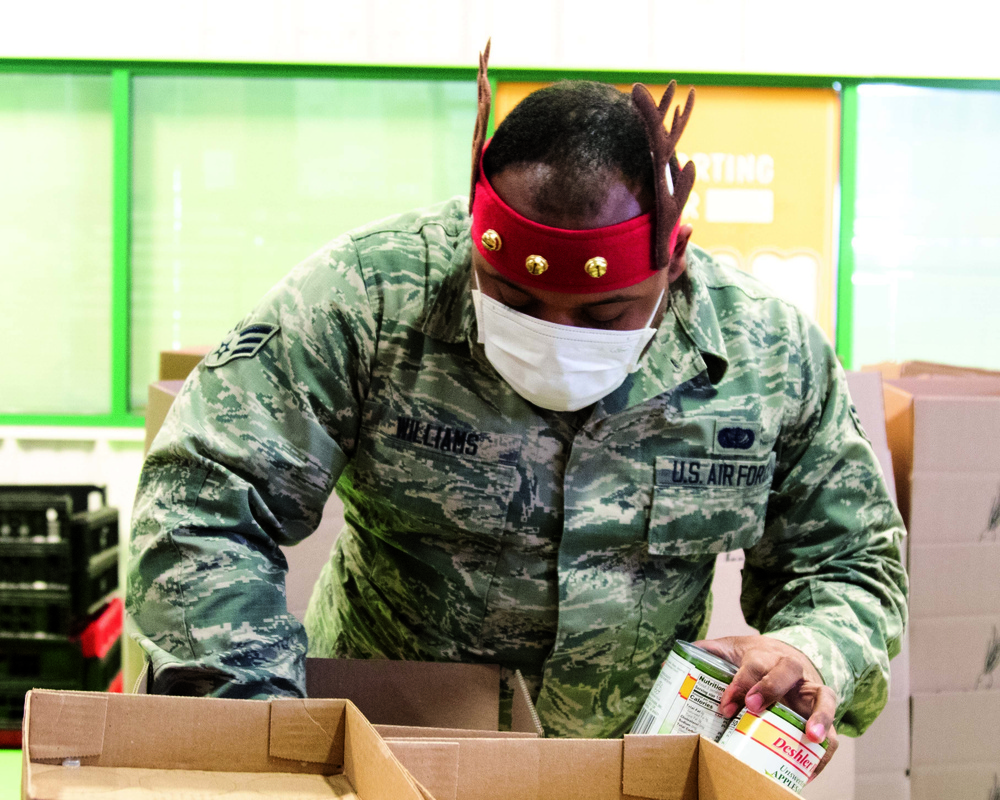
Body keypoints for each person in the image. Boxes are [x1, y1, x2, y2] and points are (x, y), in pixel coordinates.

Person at [127, 52, 907, 771]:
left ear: (674, 259)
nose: (556, 338)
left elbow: (851, 562)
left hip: (632, 769)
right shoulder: (367, 299)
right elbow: (201, 506)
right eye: (516, 300)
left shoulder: (766, 355)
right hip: (389, 747)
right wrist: (263, 729)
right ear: (476, 238)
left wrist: (812, 650)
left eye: (604, 316)